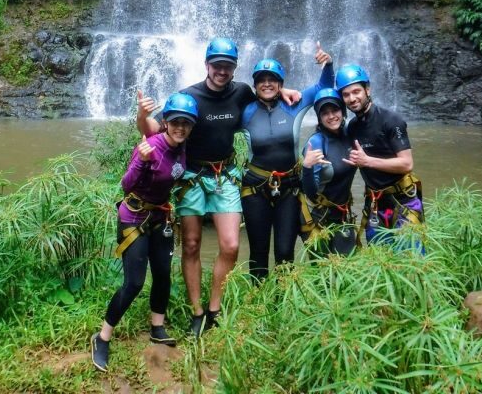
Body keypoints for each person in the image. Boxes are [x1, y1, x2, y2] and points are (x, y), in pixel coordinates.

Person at [136, 38, 300, 336]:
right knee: (192, 244)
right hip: (192, 177)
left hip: (225, 175)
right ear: (207, 65)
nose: (222, 71)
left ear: (234, 68)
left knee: (231, 244)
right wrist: (141, 114)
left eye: (228, 65)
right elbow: (153, 130)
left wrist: (285, 89)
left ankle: (215, 308)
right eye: (217, 65)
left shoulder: (241, 93)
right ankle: (198, 312)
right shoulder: (189, 97)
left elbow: (268, 97)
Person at [92, 92, 199, 372]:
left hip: (160, 217)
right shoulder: (151, 146)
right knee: (135, 282)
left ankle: (157, 326)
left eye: (186, 123)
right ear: (165, 123)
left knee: (163, 274)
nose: (180, 127)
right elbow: (126, 185)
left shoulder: (182, 145)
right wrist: (140, 160)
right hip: (134, 217)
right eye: (175, 122)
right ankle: (102, 337)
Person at [240, 43, 333, 279]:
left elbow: (323, 86)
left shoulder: (295, 105)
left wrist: (328, 64)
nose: (267, 83)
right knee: (258, 252)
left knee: (284, 251)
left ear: (281, 84)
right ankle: (257, 306)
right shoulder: (245, 111)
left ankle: (280, 304)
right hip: (255, 188)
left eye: (273, 79)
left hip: (289, 189)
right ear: (255, 85)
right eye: (262, 79)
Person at [336, 64, 425, 246]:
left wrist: (367, 161)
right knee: (380, 265)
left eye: (356, 91)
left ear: (367, 90)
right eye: (346, 94)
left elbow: (407, 164)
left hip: (403, 202)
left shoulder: (392, 121)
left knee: (410, 262)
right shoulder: (352, 126)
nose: (352, 98)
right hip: (376, 205)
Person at [299, 88, 357, 256]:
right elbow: (310, 193)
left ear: (343, 111)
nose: (331, 116)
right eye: (325, 113)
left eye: (335, 110)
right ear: (319, 118)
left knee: (348, 266)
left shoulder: (349, 134)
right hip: (317, 215)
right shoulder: (316, 143)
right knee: (321, 273)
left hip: (343, 213)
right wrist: (307, 167)